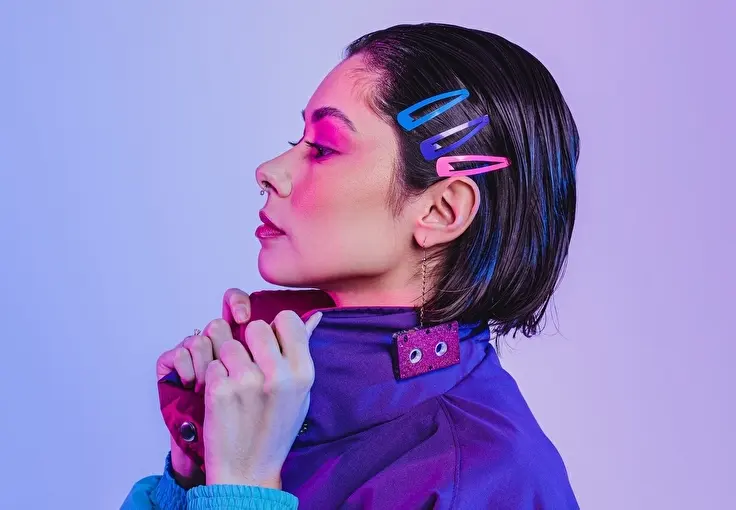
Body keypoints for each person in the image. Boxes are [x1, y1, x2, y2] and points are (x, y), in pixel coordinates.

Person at [123, 22, 580, 509]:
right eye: (297, 139)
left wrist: (244, 484)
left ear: (441, 210)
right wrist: (193, 474)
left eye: (322, 148)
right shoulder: (284, 398)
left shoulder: (491, 479)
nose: (269, 171)